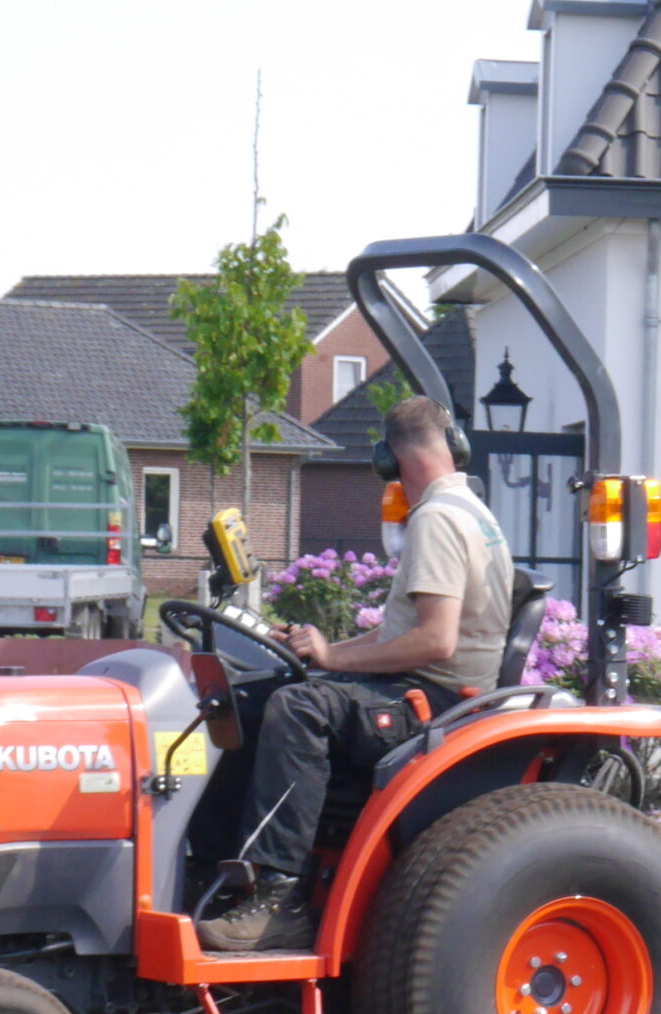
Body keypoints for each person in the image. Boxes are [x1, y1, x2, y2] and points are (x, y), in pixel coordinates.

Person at [202, 396, 514, 952]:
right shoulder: (473, 512)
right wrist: (319, 651)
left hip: (434, 698)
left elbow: (434, 641)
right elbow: (408, 632)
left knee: (297, 709)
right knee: (277, 689)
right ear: (453, 444)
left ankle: (278, 901)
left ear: (389, 461)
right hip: (436, 685)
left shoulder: (437, 520)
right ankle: (224, 875)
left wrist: (336, 661)